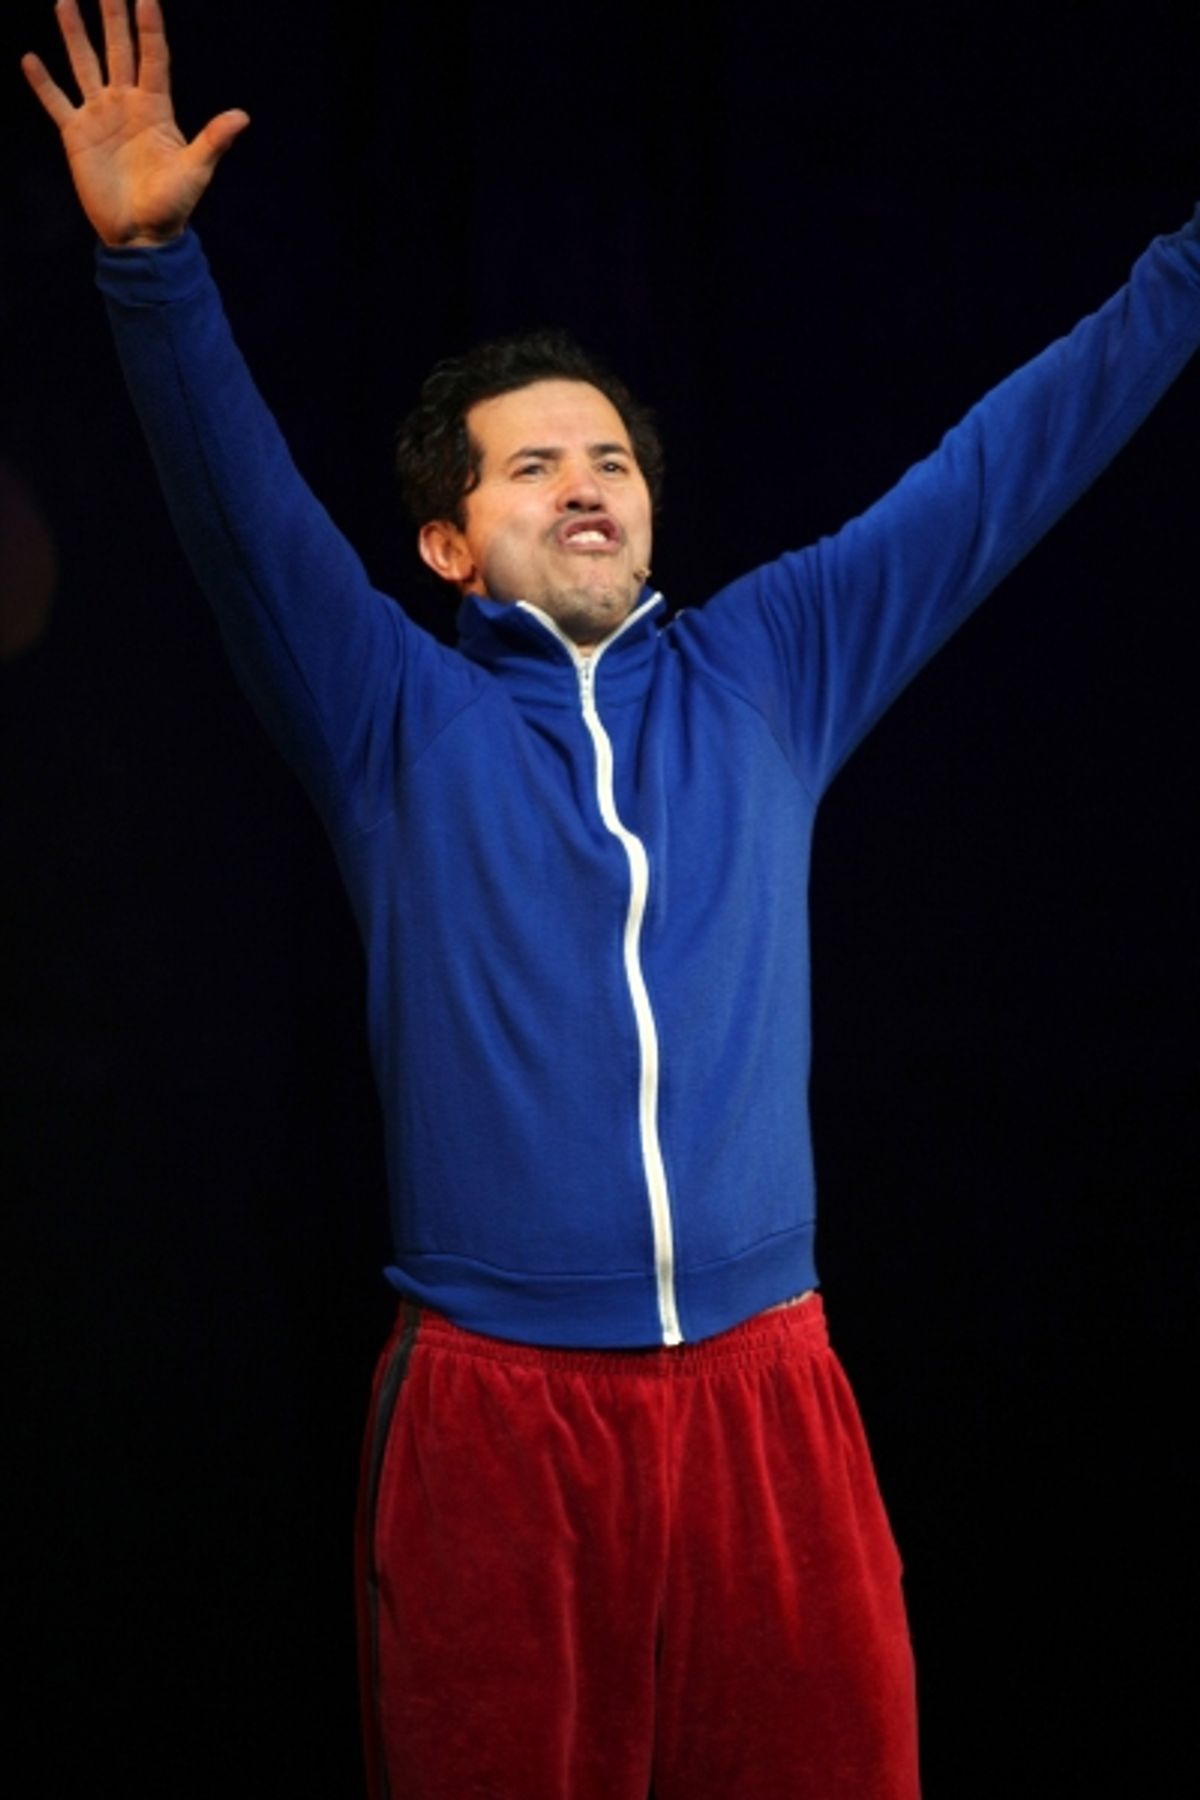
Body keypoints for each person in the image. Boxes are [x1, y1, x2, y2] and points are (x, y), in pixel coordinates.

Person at [22, 3, 1200, 1796]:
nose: (587, 483)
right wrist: (155, 269)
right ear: (446, 541)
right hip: (498, 1423)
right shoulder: (394, 717)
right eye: (532, 462)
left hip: (768, 1404)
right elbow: (238, 512)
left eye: (616, 460)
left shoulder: (771, 665)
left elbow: (1003, 463)